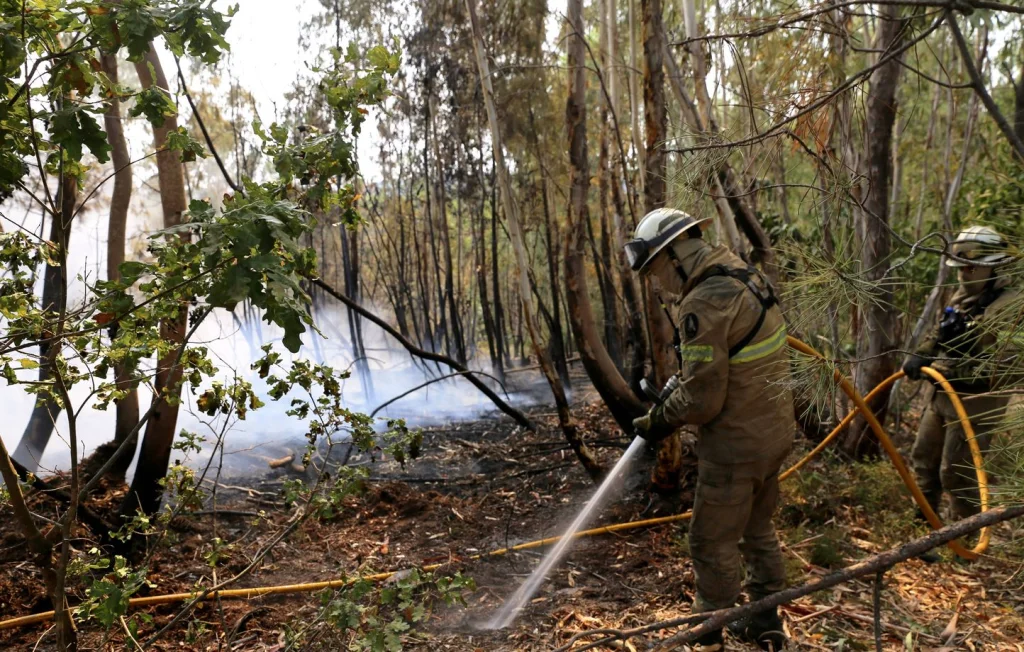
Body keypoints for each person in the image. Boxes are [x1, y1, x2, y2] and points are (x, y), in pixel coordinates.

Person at [626, 208, 795, 651]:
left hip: (736, 444)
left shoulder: (703, 301)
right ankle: (765, 620)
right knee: (757, 528)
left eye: (656, 270)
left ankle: (709, 635)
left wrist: (658, 420)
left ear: (675, 254)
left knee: (709, 538)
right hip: (773, 431)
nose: (657, 282)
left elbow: (703, 402)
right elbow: (725, 362)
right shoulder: (740, 272)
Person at [903, 225, 1018, 523]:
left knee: (956, 473)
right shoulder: (963, 295)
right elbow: (942, 327)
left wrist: (945, 368)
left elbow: (1006, 367)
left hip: (976, 404)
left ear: (992, 268)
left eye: (970, 268)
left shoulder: (1011, 307)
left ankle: (963, 543)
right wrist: (923, 353)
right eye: (959, 269)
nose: (963, 275)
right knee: (923, 461)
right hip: (942, 396)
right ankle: (923, 532)